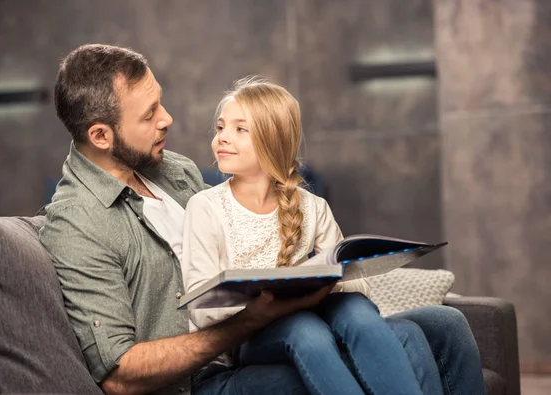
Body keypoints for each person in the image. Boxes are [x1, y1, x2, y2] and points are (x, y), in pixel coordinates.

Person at [39, 43, 486, 395]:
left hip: (268, 327)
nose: (168, 119)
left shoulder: (173, 171)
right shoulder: (78, 223)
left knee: (444, 326)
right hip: (205, 375)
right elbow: (119, 376)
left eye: (161, 103)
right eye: (150, 113)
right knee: (352, 345)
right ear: (101, 134)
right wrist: (253, 319)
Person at [182, 77, 444, 395]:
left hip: (307, 312)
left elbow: (359, 285)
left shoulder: (312, 206)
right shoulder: (206, 206)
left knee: (357, 310)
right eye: (221, 127)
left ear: (273, 139)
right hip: (245, 338)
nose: (222, 138)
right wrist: (265, 299)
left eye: (240, 129)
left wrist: (318, 282)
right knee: (306, 331)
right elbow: (201, 306)